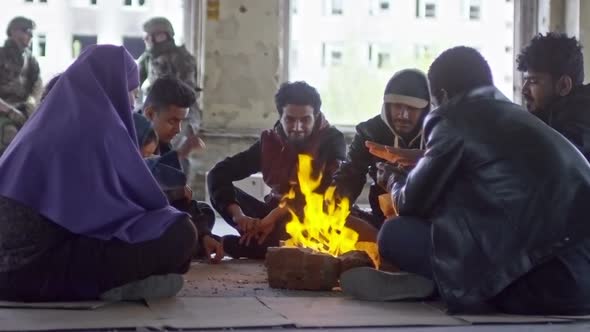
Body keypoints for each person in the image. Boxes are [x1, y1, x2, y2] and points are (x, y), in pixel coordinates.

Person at [340, 46, 590, 316]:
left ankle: (434, 284)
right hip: (581, 277)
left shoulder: (450, 117)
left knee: (395, 233)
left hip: (538, 286)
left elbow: (410, 204)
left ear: (443, 96)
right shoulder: (514, 115)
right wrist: (424, 160)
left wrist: (391, 178)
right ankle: (430, 282)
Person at [0, 45, 198, 302]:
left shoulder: (48, 122)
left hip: (16, 266)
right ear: (115, 88)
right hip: (33, 273)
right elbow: (111, 213)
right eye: (132, 93)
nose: (132, 103)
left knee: (169, 226)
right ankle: (113, 289)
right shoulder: (93, 131)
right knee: (179, 233)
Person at [207, 81, 347, 259]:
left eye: (305, 120)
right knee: (217, 183)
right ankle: (250, 239)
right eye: (290, 120)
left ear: (316, 116)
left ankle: (228, 244)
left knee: (290, 240)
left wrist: (273, 217)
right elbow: (219, 173)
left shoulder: (332, 140)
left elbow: (329, 189)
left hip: (312, 216)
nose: (297, 127)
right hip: (272, 213)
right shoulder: (270, 142)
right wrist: (240, 217)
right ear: (281, 117)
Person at [332, 69, 430, 229]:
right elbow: (351, 174)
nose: (403, 114)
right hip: (381, 220)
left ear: (425, 110)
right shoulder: (370, 131)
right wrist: (332, 204)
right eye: (397, 106)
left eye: (412, 108)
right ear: (387, 105)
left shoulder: (438, 135)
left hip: (426, 221)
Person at [139, 77, 222, 261]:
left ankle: (198, 241)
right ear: (150, 114)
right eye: (172, 121)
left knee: (204, 212)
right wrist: (180, 155)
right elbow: (138, 189)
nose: (178, 129)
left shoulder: (164, 143)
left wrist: (204, 234)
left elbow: (182, 200)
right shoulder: (133, 138)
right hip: (140, 218)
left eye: (181, 122)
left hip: (166, 213)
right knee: (180, 229)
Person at [517, 32, 590, 161]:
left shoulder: (579, 130)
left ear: (564, 86)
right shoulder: (553, 118)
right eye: (525, 80)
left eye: (533, 81)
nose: (524, 90)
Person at [138, 17, 201, 126]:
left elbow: (186, 94)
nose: (147, 40)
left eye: (150, 36)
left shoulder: (182, 59)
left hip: (181, 118)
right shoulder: (148, 58)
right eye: (146, 37)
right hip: (157, 117)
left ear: (164, 36)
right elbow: (135, 84)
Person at [0, 17, 42, 155]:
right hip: (3, 112)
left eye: (31, 32)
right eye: (26, 31)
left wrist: (31, 103)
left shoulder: (31, 60)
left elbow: (37, 87)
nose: (30, 35)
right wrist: (10, 111)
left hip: (24, 111)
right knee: (10, 134)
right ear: (13, 31)